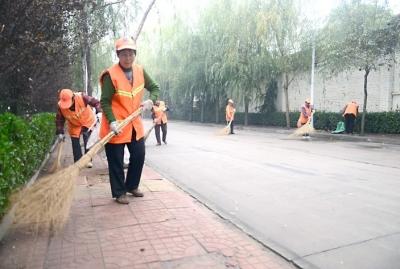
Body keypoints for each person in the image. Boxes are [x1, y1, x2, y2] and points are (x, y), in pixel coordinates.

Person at [100, 37, 159, 204]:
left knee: (139, 154)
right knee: (116, 160)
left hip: (133, 124)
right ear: (118, 55)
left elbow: (155, 87)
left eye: (130, 54)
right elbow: (104, 101)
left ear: (135, 54)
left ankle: (132, 185)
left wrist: (151, 100)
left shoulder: (140, 71)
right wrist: (112, 121)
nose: (127, 58)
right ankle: (119, 193)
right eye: (124, 54)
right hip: (116, 125)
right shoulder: (110, 75)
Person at [56, 89, 102, 168]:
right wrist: (60, 132)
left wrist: (99, 112)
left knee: (87, 140)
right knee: (75, 143)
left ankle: (88, 160)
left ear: (73, 98)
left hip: (88, 121)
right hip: (74, 125)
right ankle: (78, 162)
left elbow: (96, 103)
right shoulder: (61, 107)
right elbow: (60, 119)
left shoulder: (82, 97)